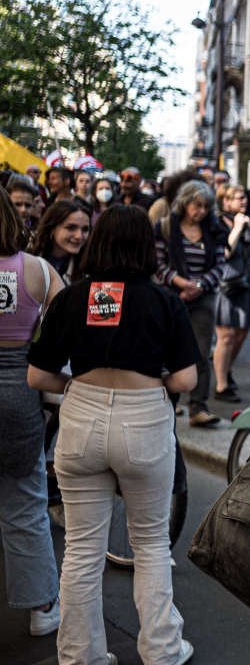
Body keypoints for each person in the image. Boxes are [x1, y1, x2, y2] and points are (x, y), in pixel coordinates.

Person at [28, 205, 199, 665]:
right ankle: (163, 649)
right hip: (144, 420)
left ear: (98, 241)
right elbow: (186, 379)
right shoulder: (164, 300)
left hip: (81, 416)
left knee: (82, 548)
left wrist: (79, 385)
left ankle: (81, 655)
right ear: (146, 246)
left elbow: (37, 376)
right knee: (150, 543)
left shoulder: (72, 298)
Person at [0, 196, 63, 641]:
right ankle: (42, 606)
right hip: (19, 395)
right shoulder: (38, 270)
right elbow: (65, 329)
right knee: (25, 502)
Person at [155, 181, 228, 428]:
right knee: (167, 350)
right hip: (171, 295)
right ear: (185, 203)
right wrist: (180, 283)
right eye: (197, 205)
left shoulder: (214, 229)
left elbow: (220, 265)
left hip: (203, 296)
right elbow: (158, 262)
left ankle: (199, 407)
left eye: (206, 207)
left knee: (201, 351)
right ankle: (168, 400)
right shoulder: (166, 227)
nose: (201, 211)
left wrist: (199, 285)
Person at [212, 184, 250, 403]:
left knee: (240, 333)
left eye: (245, 197)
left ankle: (225, 369)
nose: (244, 201)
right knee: (226, 335)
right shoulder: (218, 223)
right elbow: (225, 253)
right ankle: (221, 386)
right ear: (226, 201)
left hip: (247, 284)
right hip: (226, 284)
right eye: (239, 198)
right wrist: (237, 228)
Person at [30, 199, 91, 283]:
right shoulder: (27, 258)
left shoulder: (91, 266)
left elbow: (102, 291)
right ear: (52, 228)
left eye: (85, 229)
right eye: (71, 228)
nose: (79, 236)